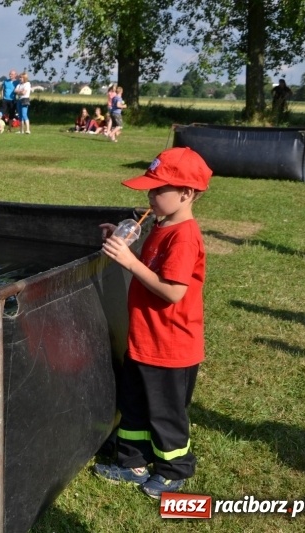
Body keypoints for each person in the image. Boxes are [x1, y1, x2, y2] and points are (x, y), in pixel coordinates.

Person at [93, 146, 213, 499]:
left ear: (186, 194)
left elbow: (173, 292)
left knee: (165, 413)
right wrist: (123, 235)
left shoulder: (184, 236)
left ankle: (174, 470)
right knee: (134, 404)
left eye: (159, 190)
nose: (151, 196)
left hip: (171, 348)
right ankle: (132, 462)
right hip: (145, 341)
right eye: (150, 188)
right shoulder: (161, 227)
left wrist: (129, 262)